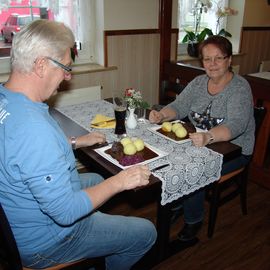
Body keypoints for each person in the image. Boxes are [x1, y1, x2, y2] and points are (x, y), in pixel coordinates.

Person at [0, 20, 157, 270]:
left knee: (95, 178)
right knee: (146, 233)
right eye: (65, 67)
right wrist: (120, 181)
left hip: (17, 216)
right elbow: (64, 213)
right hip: (47, 243)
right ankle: (96, 248)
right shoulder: (34, 130)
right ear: (41, 65)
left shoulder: (6, 98)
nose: (67, 76)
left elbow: (22, 151)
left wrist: (74, 141)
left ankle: (100, 233)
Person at [149, 35, 255, 241]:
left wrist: (208, 136)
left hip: (235, 149)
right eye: (207, 59)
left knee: (194, 169)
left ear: (229, 60)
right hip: (201, 142)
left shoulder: (239, 88)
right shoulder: (199, 82)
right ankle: (178, 203)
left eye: (218, 58)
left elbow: (237, 125)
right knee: (169, 159)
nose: (212, 64)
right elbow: (180, 106)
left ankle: (194, 219)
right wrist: (162, 114)